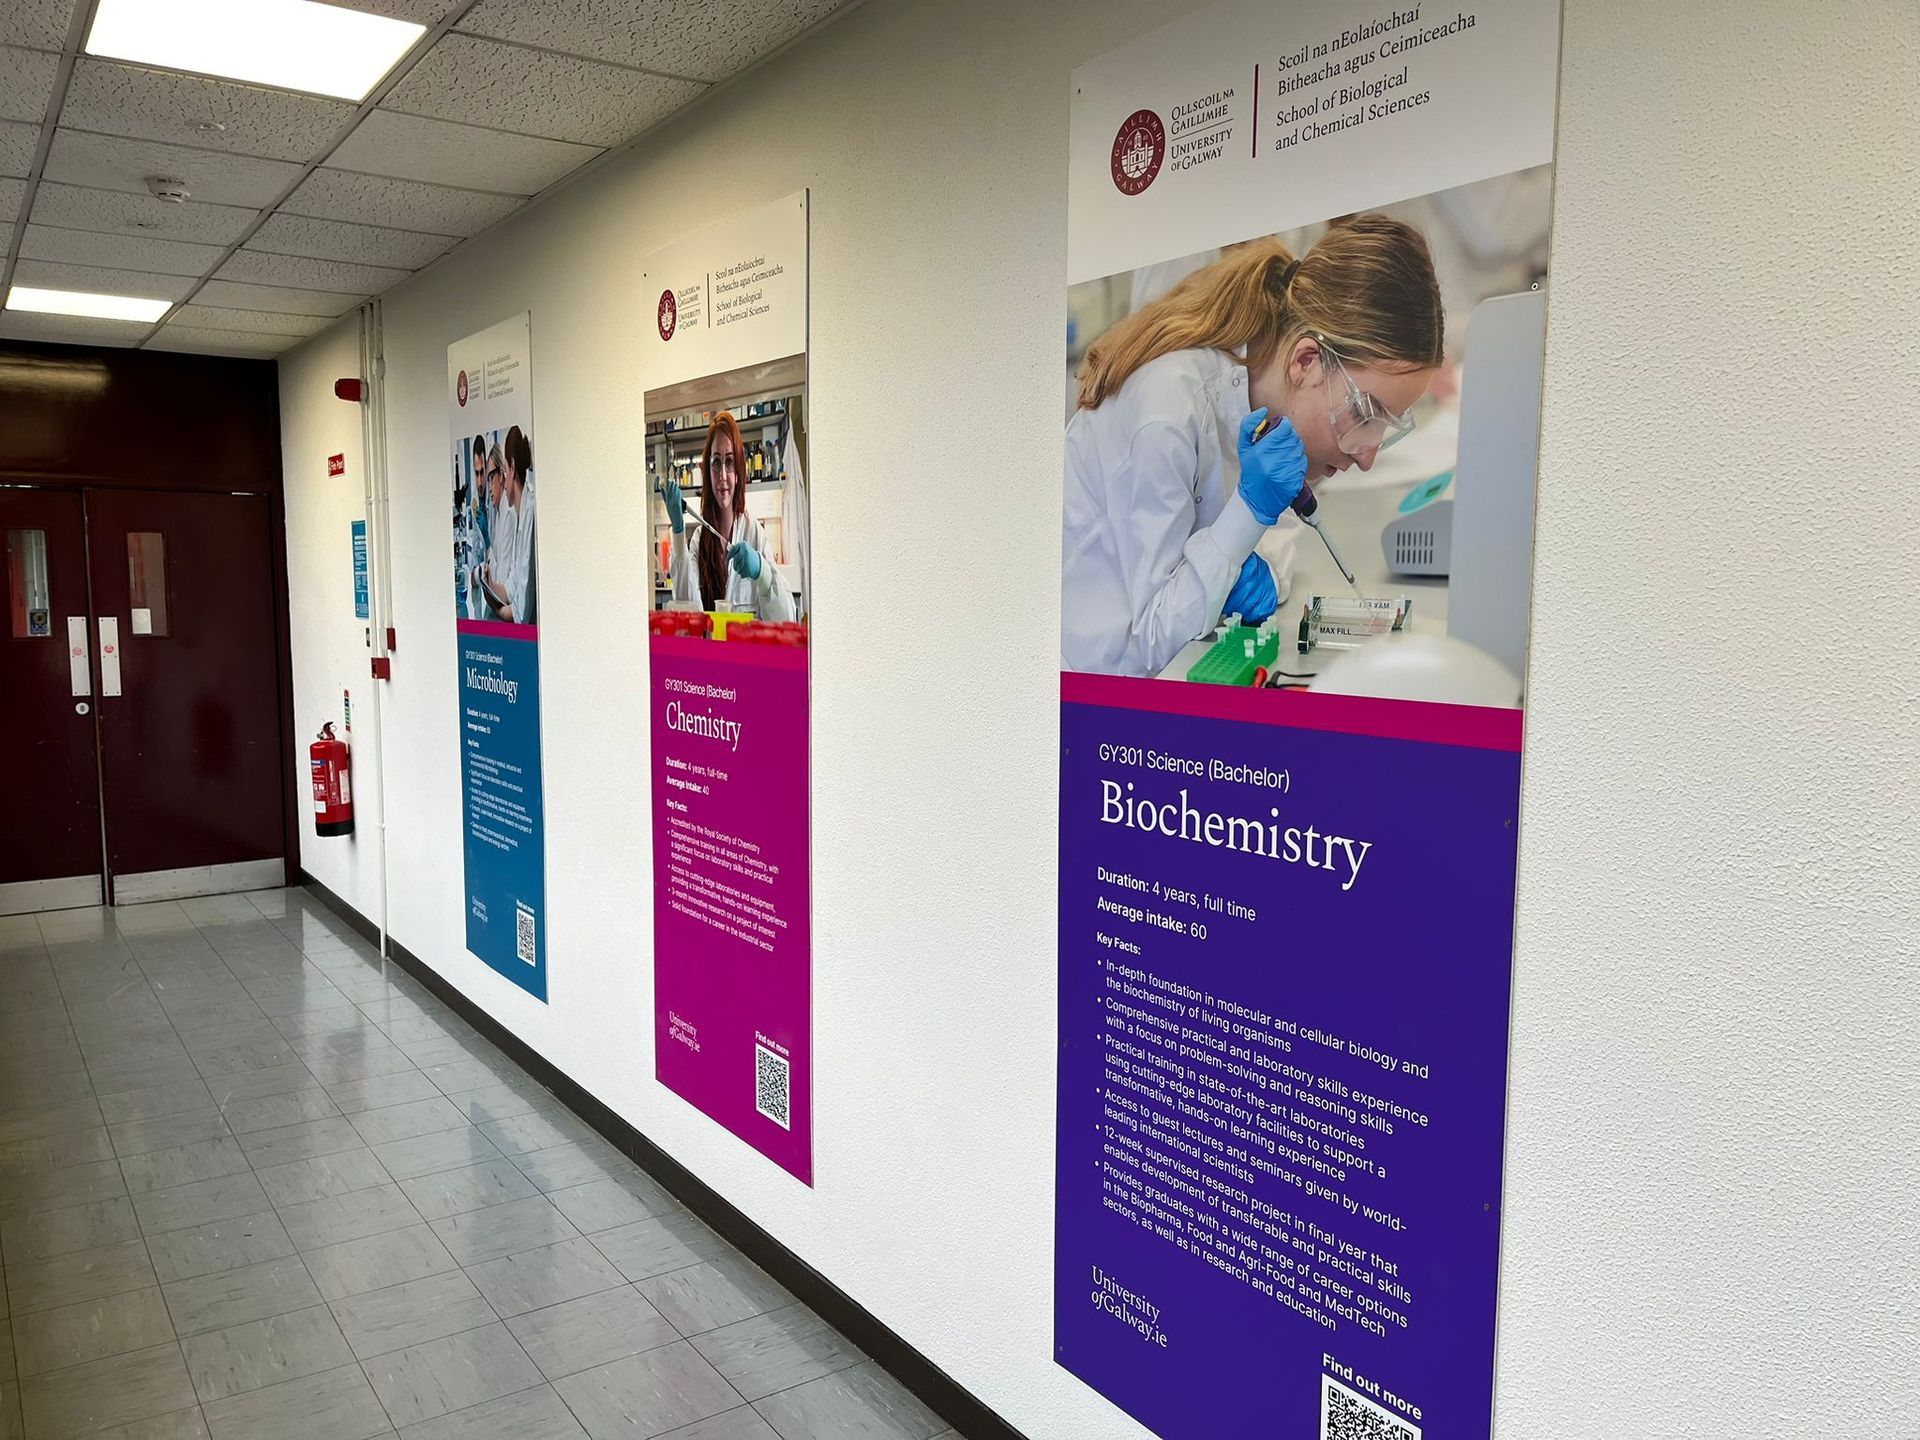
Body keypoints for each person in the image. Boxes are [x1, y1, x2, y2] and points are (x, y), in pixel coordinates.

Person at [1062, 216, 1444, 677]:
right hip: (1084, 698)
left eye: (1386, 427)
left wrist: (1234, 558)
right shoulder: (1168, 412)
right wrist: (1242, 523)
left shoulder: (1272, 415)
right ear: (1305, 361)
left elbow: (1268, 546)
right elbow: (1153, 643)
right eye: (1365, 415)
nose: (1366, 456)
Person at [662, 411, 795, 621]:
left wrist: (762, 573)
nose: (723, 475)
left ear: (739, 471)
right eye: (716, 462)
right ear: (708, 471)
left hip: (746, 653)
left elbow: (785, 618)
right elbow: (687, 609)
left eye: (730, 462)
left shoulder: (754, 534)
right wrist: (678, 534)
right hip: (708, 653)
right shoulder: (700, 539)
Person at [481, 426, 535, 624]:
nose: (503, 484)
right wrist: (491, 587)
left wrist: (501, 611)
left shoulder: (528, 514)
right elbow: (513, 586)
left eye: (504, 471)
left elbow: (523, 609)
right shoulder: (522, 513)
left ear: (512, 468)